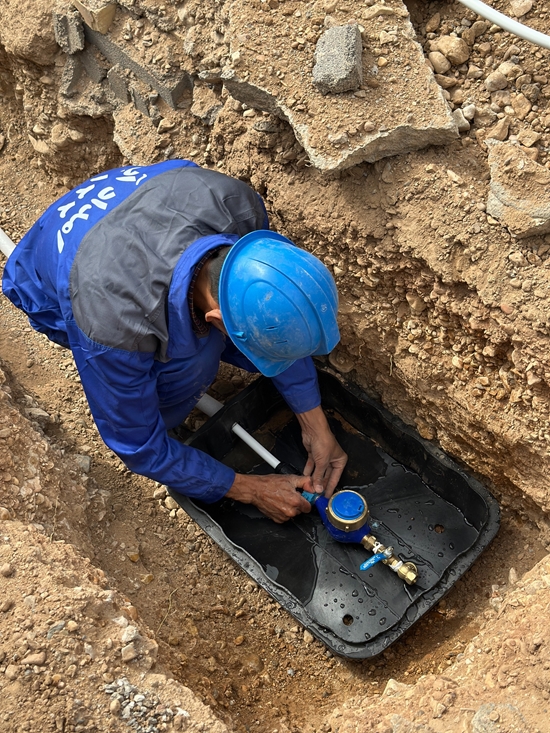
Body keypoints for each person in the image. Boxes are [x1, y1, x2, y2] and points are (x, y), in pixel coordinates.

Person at [2, 160, 347, 523]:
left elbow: (274, 312)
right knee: (190, 366)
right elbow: (138, 445)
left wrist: (315, 425)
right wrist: (251, 489)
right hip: (51, 271)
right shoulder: (113, 327)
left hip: (132, 207)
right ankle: (172, 414)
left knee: (217, 343)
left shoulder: (240, 207)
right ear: (215, 320)